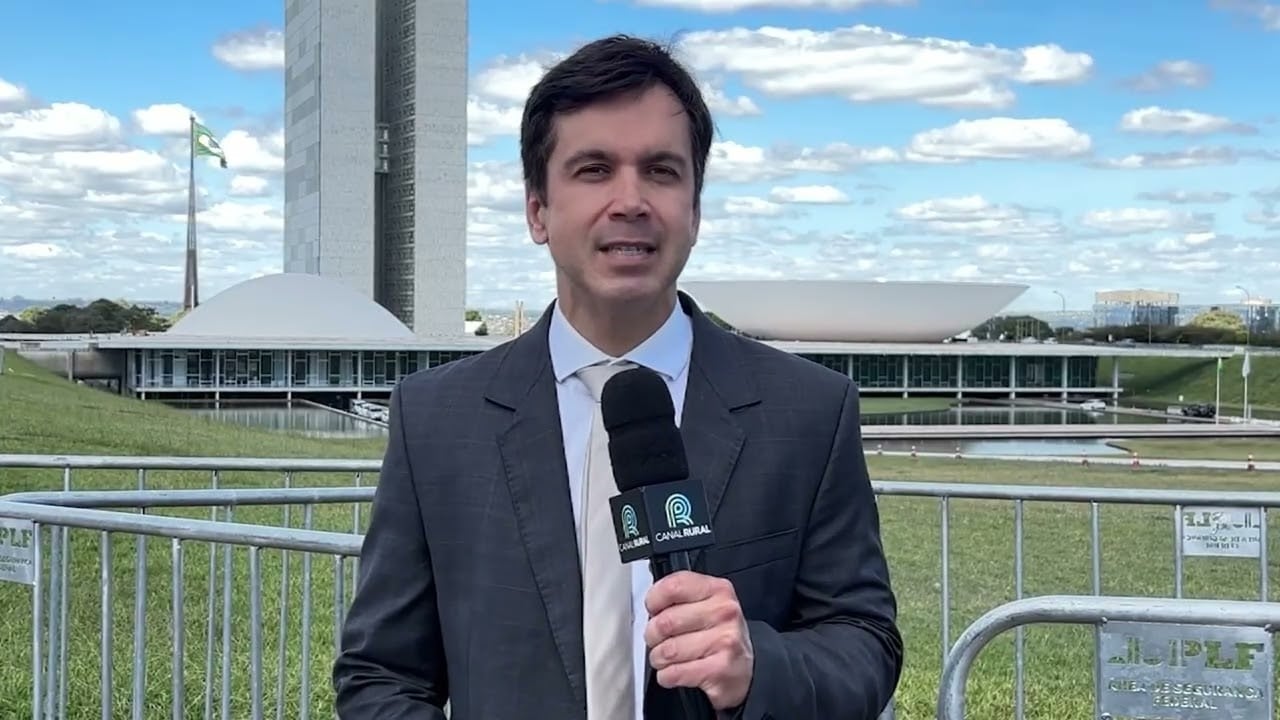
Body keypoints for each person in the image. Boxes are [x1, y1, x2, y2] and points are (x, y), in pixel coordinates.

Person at [332, 34, 903, 720]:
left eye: (661, 171)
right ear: (538, 210)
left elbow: (864, 644)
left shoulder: (810, 412)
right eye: (594, 169)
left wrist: (757, 665)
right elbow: (381, 676)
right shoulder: (436, 420)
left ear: (695, 209)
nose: (630, 200)